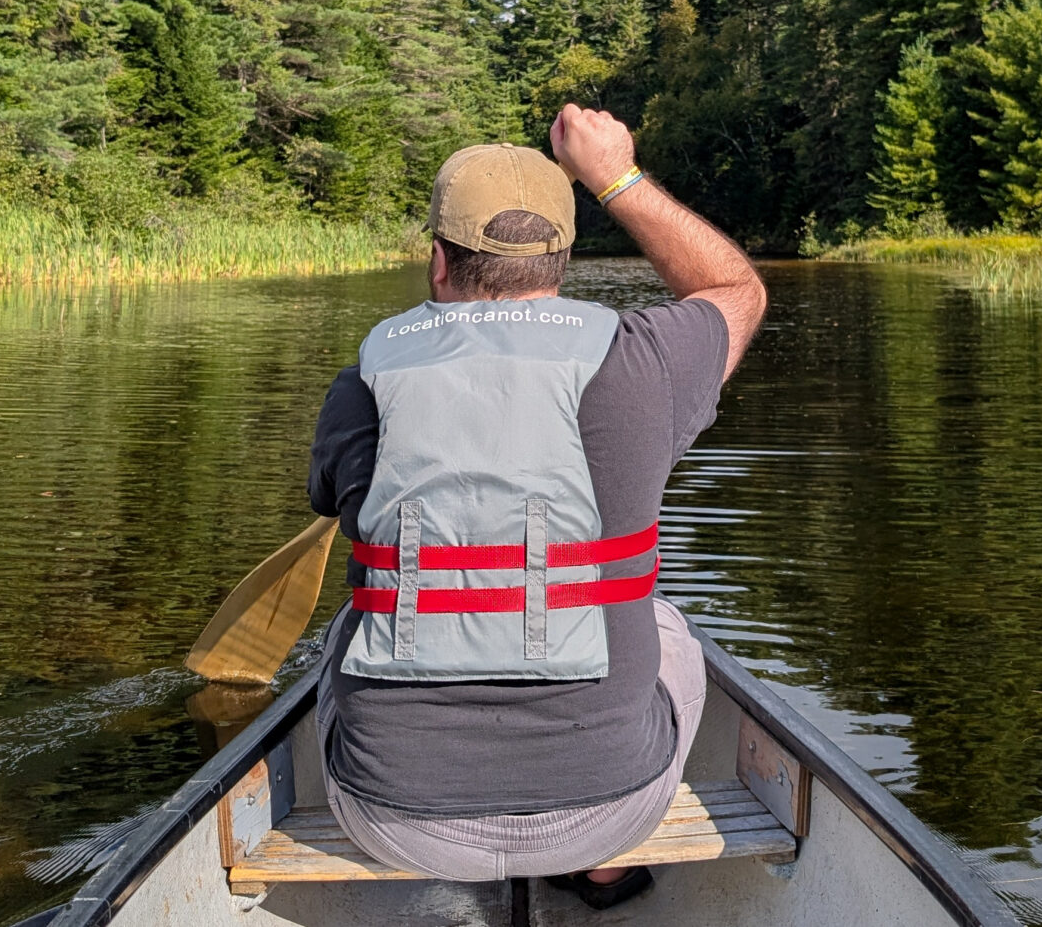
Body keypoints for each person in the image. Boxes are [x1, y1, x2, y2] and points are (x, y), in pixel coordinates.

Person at [306, 103, 767, 909]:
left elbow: (332, 501)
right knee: (665, 627)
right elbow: (737, 288)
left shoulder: (363, 385)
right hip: (607, 809)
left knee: (346, 628)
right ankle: (602, 870)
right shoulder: (642, 363)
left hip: (393, 817)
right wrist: (614, 175)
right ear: (560, 263)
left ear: (440, 262)